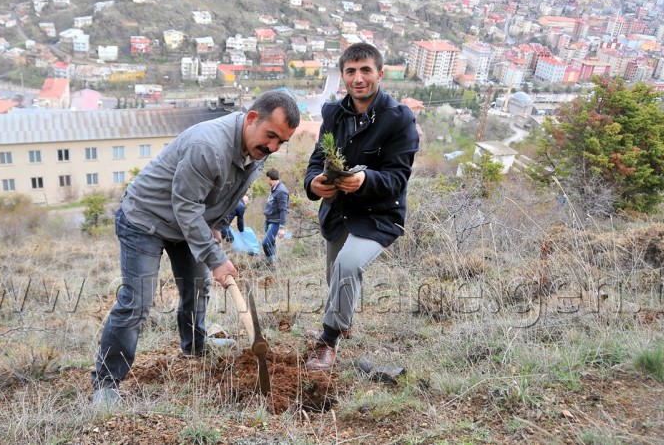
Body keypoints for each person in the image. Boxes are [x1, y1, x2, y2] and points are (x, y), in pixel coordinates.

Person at [92, 91, 299, 406]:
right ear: (252, 118)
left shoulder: (258, 150)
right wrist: (216, 259)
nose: (273, 147)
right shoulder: (208, 146)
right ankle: (106, 382)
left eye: (281, 142)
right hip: (144, 219)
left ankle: (194, 346)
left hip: (186, 223)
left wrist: (216, 224)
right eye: (271, 136)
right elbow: (186, 207)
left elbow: (228, 194)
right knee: (138, 301)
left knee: (197, 287)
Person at [303, 42, 419, 370]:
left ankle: (328, 340)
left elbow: (398, 177)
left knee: (348, 265)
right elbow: (318, 159)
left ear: (380, 74)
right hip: (338, 211)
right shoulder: (333, 114)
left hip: (379, 214)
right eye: (351, 71)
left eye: (366, 70)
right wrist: (313, 183)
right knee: (335, 273)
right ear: (343, 76)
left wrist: (365, 180)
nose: (358, 78)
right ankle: (344, 322)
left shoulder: (399, 118)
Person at [262, 168, 289, 270]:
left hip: (275, 222)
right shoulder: (274, 187)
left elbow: (283, 210)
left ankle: (270, 263)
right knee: (271, 243)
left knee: (266, 243)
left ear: (269, 178)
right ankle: (273, 265)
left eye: (267, 179)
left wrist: (282, 228)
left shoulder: (281, 191)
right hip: (269, 220)